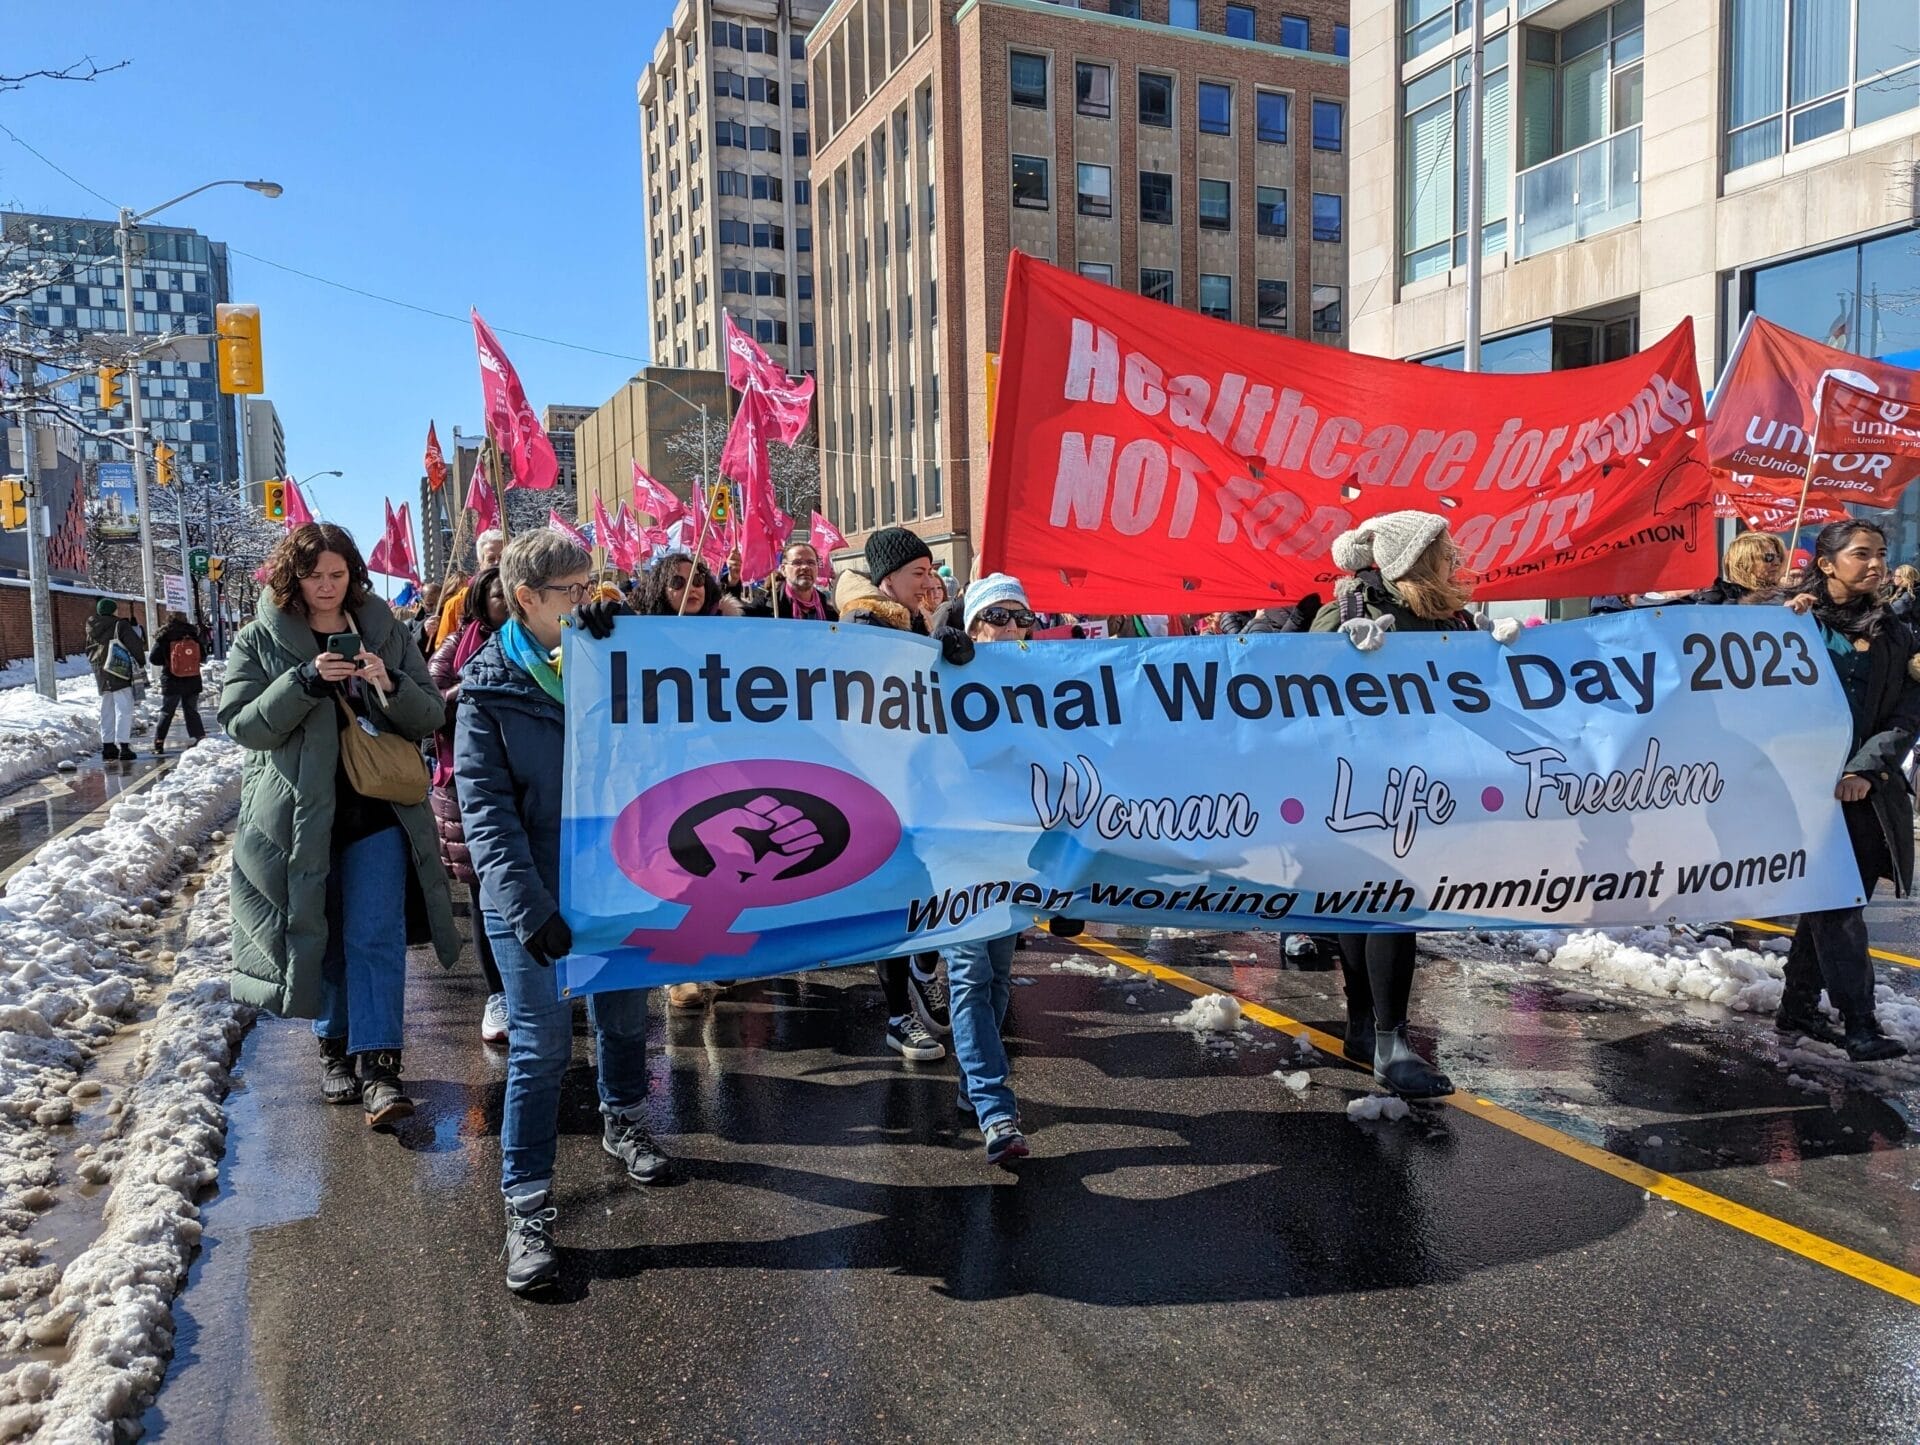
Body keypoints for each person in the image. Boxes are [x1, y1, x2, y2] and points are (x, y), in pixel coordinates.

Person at [455, 532, 667, 1295]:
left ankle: (624, 1117)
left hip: (614, 880)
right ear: (526, 601)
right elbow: (486, 815)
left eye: (591, 585)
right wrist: (528, 908)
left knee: (622, 1015)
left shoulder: (611, 661)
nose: (589, 600)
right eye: (572, 591)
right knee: (542, 1046)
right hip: (532, 895)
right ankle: (528, 1206)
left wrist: (625, 666)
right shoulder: (486, 691)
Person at [220, 522, 462, 1126]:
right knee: (321, 933)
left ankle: (380, 1066)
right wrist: (303, 682)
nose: (327, 587)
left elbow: (430, 712)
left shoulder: (383, 628)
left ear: (353, 575)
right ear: (292, 577)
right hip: (300, 815)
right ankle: (334, 1047)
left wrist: (386, 682)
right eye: (314, 575)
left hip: (378, 809)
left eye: (338, 575)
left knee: (374, 934)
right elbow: (243, 724)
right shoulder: (259, 639)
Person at [1309, 510, 1515, 1099]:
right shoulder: (1350, 611)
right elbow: (1296, 690)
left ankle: (1364, 1030)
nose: (1455, 557)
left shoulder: (1443, 614)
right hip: (1362, 787)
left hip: (1425, 784)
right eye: (1444, 548)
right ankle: (1388, 1041)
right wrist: (1344, 655)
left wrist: (1501, 649)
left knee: (1372, 906)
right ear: (1413, 558)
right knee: (1386, 906)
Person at [837, 527, 976, 1061]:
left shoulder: (914, 620)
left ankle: (922, 968)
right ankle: (898, 1017)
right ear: (888, 578)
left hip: (921, 782)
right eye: (918, 573)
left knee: (933, 890)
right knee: (895, 901)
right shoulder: (863, 623)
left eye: (931, 572)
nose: (929, 582)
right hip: (881, 785)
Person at [1776, 520, 1913, 1061]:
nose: (1876, 563)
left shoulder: (1896, 631)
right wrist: (1771, 623)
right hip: (1799, 791)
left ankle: (1799, 1007)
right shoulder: (1787, 622)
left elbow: (1906, 712)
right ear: (1827, 563)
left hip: (1865, 793)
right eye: (1862, 554)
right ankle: (1859, 1023)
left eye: (1881, 553)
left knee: (1833, 901)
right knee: (1835, 902)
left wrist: (1864, 768)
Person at [942, 574, 1037, 1165]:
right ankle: (995, 1108)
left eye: (1019, 616)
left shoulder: (1045, 679)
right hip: (954, 850)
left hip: (1015, 851)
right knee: (971, 976)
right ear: (972, 623)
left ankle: (971, 1082)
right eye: (995, 617)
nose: (1009, 627)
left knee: (999, 978)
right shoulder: (939, 670)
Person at [429, 565, 511, 1045]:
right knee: (485, 892)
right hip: (468, 785)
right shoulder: (455, 648)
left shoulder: (544, 641)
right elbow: (429, 705)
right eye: (499, 595)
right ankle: (498, 993)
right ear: (481, 600)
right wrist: (476, 684)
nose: (508, 604)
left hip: (529, 783)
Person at [87, 599, 143, 761]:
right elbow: (134, 645)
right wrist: (140, 662)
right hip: (119, 669)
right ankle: (124, 746)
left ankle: (108, 746)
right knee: (124, 708)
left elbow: (88, 649)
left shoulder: (91, 626)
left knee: (107, 708)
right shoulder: (120, 625)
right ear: (113, 611)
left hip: (101, 671)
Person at [147, 610, 207, 755]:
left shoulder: (164, 636)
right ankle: (199, 738)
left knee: (167, 711)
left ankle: (159, 742)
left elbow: (154, 659)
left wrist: (168, 661)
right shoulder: (192, 634)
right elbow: (203, 656)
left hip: (171, 678)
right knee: (191, 710)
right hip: (192, 678)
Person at [434, 530, 506, 648]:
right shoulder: (457, 603)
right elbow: (442, 647)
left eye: (502, 557)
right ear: (481, 563)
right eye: (491, 559)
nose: (498, 563)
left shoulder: (524, 596)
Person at [1695, 532, 1787, 605]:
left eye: (1779, 557)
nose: (1777, 563)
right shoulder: (1717, 597)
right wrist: (1750, 602)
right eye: (1769, 557)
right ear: (1744, 563)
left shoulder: (1787, 595)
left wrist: (1792, 609)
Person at [638, 551, 721, 617]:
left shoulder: (728, 627)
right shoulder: (644, 632)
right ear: (661, 591)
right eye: (677, 582)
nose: (690, 588)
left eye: (697, 579)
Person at [769, 541, 838, 620]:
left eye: (811, 562)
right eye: (797, 563)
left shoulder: (831, 613)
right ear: (783, 570)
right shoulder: (766, 609)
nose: (805, 567)